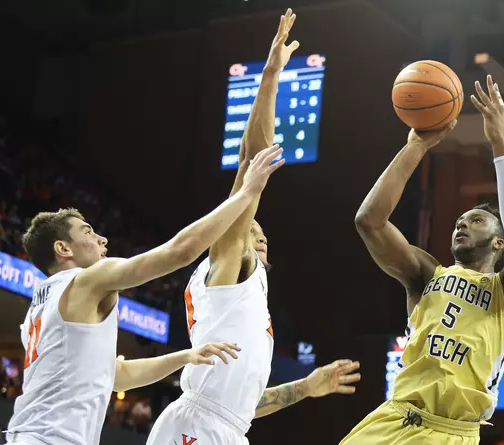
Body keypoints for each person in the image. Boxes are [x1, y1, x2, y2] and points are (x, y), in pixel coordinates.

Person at [147, 9, 361, 445]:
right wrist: (270, 79)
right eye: (251, 230)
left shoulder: (245, 294)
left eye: (262, 234)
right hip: (195, 427)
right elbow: (250, 160)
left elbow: (239, 410)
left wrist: (304, 387)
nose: (260, 235)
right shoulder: (227, 265)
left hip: (225, 429)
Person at [4, 145, 285, 445]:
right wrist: (246, 193)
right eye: (87, 232)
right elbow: (180, 251)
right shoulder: (87, 281)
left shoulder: (39, 308)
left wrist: (186, 356)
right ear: (63, 249)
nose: (101, 238)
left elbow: (118, 375)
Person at [340, 75, 504, 445]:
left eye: (475, 221)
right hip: (392, 417)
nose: (462, 224)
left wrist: (499, 141)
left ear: (499, 242)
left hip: (451, 432)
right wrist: (415, 146)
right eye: (458, 222)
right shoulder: (426, 273)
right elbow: (369, 221)